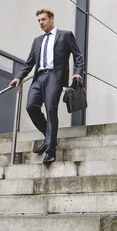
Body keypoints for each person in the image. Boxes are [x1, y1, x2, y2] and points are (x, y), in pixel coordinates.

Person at [9, 8, 84, 164]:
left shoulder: (65, 35)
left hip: (54, 76)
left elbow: (78, 56)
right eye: (38, 21)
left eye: (43, 19)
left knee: (51, 109)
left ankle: (50, 150)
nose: (41, 23)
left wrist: (78, 72)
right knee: (31, 107)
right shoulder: (37, 41)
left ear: (52, 19)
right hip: (38, 78)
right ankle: (50, 137)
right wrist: (18, 77)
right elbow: (29, 63)